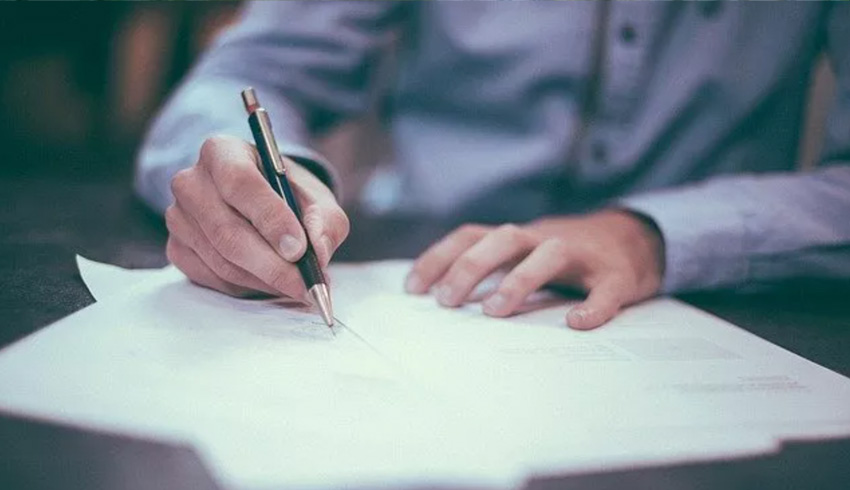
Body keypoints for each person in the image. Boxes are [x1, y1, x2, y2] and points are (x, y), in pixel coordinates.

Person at [135, 2, 850, 330]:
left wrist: (653, 234)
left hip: (728, 304)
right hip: (420, 279)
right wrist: (253, 178)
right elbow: (249, 73)